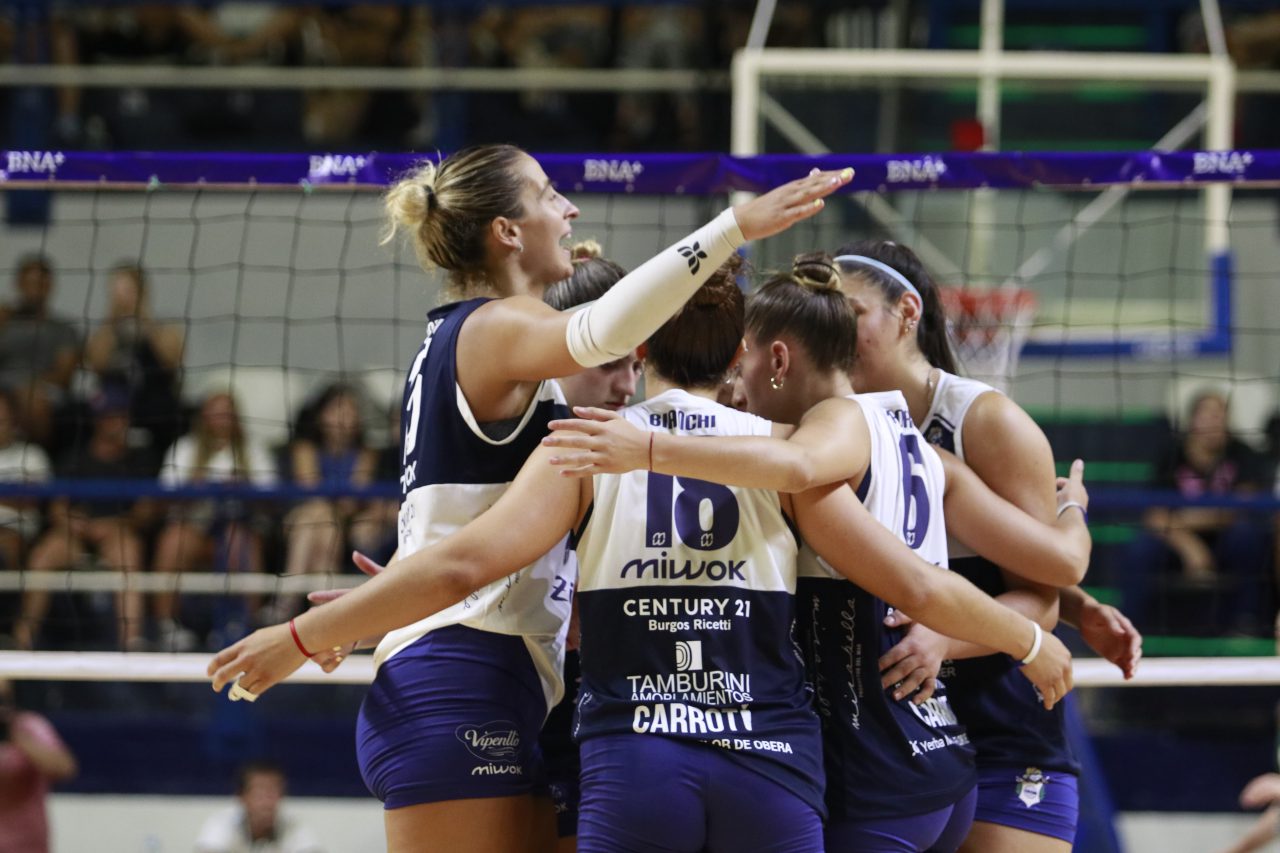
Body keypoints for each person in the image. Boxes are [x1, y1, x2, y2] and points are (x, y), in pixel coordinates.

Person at [209, 257, 1075, 853]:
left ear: (640, 346)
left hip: (638, 759)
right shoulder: (786, 456)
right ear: (740, 353)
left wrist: (308, 634)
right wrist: (1032, 638)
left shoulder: (586, 447)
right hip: (770, 762)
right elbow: (918, 581)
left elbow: (461, 568)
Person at [213, 143, 854, 853]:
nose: (569, 209)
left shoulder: (485, 341)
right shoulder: (494, 327)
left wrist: (375, 605)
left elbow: (469, 527)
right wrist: (735, 227)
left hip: (496, 668)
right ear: (507, 232)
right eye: (549, 194)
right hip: (462, 673)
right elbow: (603, 331)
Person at [541, 253, 1092, 852]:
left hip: (871, 765)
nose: (737, 386)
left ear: (777, 359)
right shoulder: (912, 437)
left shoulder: (830, 431)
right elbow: (1014, 571)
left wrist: (647, 448)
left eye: (746, 363)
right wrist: (1070, 530)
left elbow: (806, 473)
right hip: (939, 752)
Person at [823, 240, 1133, 853]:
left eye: (851, 314)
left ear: (907, 313)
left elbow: (1041, 600)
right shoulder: (831, 420)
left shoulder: (982, 421)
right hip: (886, 744)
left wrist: (946, 637)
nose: (834, 331)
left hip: (1000, 733)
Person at [14, 386, 158, 651]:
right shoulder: (74, 457)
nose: (114, 422)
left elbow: (146, 512)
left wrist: (114, 525)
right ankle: (23, 638)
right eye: (107, 416)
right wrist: (70, 521)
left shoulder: (140, 459)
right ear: (96, 419)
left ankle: (132, 641)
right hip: (75, 535)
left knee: (129, 552)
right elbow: (57, 507)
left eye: (119, 415)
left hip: (117, 534)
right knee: (44, 554)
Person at [1128, 388, 1273, 636]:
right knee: (1141, 548)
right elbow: (1154, 516)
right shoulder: (1172, 454)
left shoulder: (1242, 453)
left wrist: (1187, 520)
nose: (1214, 421)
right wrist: (1189, 546)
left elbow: (1241, 506)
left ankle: (1246, 623)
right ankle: (1130, 626)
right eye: (1207, 415)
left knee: (1248, 536)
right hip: (1178, 540)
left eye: (1220, 415)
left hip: (1225, 538)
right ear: (1192, 420)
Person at [152, 390, 277, 651]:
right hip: (195, 523)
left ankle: (243, 624)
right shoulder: (185, 447)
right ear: (203, 416)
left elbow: (272, 494)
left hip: (240, 522)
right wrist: (195, 485)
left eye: (227, 412)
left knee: (236, 540)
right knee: (173, 540)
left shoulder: (252, 449)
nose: (222, 419)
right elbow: (165, 495)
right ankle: (167, 624)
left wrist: (243, 485)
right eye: (215, 412)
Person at [277, 383, 379, 617]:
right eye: (336, 409)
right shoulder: (304, 448)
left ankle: (287, 601)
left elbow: (352, 500)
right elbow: (311, 490)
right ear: (321, 415)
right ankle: (322, 611)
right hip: (300, 519)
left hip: (341, 521)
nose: (343, 417)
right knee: (319, 517)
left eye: (350, 410)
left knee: (325, 523)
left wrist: (334, 506)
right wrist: (332, 504)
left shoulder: (366, 453)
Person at [83, 261, 185, 454]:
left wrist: (143, 316)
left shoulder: (163, 327)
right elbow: (96, 364)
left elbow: (171, 361)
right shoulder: (106, 331)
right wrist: (112, 318)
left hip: (154, 403)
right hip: (114, 403)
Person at [0, 255, 80, 449]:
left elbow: (64, 375)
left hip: (42, 390)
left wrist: (29, 385)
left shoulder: (63, 329)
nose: (34, 289)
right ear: (19, 284)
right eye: (29, 283)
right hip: (3, 387)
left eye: (40, 283)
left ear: (49, 286)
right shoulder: (5, 322)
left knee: (34, 401)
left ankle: (38, 457)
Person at [0, 679, 78, 853]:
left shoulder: (29, 726)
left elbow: (64, 768)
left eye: (3, 699)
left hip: (27, 844)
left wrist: (21, 740)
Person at [195, 760, 323, 853]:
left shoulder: (293, 825)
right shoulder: (222, 823)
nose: (267, 802)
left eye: (273, 792)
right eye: (259, 792)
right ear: (241, 797)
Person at [0, 386, 51, 576]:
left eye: (1, 420)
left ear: (13, 420)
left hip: (15, 530)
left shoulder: (32, 455)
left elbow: (29, 500)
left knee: (6, 547)